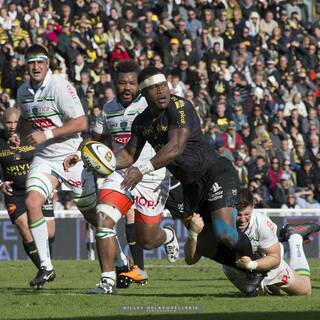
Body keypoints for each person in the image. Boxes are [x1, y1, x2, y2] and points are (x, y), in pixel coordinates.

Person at [117, 67, 256, 276]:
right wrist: (98, 161)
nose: (162, 91)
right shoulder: (141, 122)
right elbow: (128, 155)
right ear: (143, 93)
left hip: (214, 172)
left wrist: (142, 169)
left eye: (163, 85)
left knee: (225, 234)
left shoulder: (180, 106)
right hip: (190, 186)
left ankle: (257, 262)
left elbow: (175, 147)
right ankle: (246, 270)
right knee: (202, 244)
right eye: (155, 88)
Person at [64, 61, 179, 294]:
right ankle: (108, 281)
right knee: (104, 219)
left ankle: (167, 236)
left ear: (140, 85)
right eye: (122, 83)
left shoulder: (151, 105)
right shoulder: (108, 109)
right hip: (120, 171)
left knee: (147, 239)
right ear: (115, 84)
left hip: (151, 176)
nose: (127, 87)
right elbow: (94, 139)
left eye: (132, 83)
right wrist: (79, 154)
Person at [13, 44, 97, 289]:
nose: (36, 67)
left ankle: (122, 262)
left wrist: (47, 133)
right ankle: (46, 267)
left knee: (91, 213)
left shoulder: (59, 85)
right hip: (45, 158)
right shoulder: (22, 91)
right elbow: (28, 120)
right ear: (26, 65)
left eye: (40, 62)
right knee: (32, 202)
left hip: (71, 157)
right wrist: (20, 134)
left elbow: (82, 122)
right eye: (31, 62)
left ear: (48, 63)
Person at [185, 189, 320, 296]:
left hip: (266, 263)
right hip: (234, 268)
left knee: (305, 291)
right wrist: (193, 233)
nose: (243, 219)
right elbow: (191, 260)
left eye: (247, 214)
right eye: (238, 214)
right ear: (229, 210)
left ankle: (295, 238)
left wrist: (252, 264)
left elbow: (275, 258)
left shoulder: (262, 224)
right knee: (260, 294)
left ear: (253, 207)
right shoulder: (219, 222)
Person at [0, 108, 55, 270]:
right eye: (8, 122)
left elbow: (47, 159)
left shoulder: (31, 138)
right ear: (3, 123)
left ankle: (46, 264)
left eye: (15, 122)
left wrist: (50, 183)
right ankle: (44, 269)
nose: (12, 126)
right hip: (14, 193)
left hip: (37, 188)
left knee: (49, 233)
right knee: (24, 228)